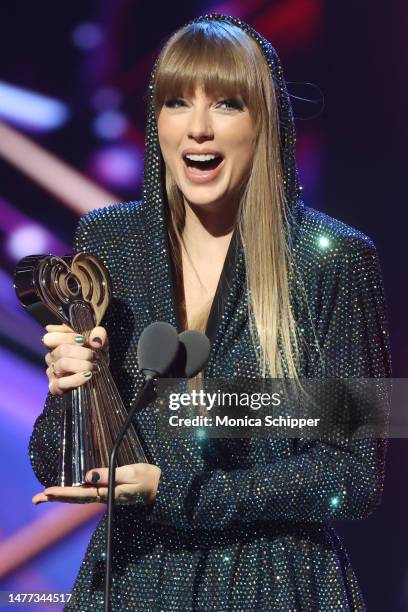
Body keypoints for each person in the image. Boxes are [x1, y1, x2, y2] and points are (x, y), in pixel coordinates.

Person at [29, 13, 391, 611]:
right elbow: (56, 462)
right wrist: (71, 390)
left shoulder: (334, 261)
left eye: (225, 104)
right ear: (155, 122)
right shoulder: (110, 243)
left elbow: (354, 478)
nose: (197, 129)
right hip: (133, 583)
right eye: (176, 103)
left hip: (277, 584)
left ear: (265, 122)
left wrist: (185, 495)